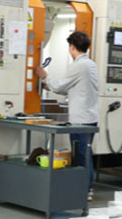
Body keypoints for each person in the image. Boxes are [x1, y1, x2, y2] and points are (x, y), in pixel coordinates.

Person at [35, 30, 100, 198]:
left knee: (82, 156)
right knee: (83, 154)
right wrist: (52, 85)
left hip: (81, 121)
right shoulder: (90, 64)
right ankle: (83, 188)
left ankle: (85, 190)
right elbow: (72, 88)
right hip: (89, 118)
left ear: (72, 47)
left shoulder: (79, 65)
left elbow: (60, 85)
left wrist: (45, 76)